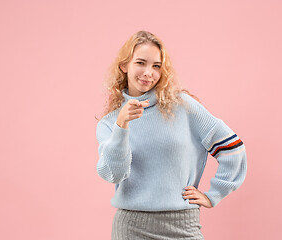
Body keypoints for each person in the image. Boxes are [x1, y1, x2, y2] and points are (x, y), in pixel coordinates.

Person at [96, 30, 247, 240]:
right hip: (132, 228)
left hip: (183, 225)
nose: (148, 72)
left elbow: (233, 149)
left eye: (156, 66)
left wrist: (213, 195)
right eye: (141, 62)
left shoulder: (183, 107)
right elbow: (113, 174)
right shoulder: (110, 123)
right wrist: (122, 126)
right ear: (124, 66)